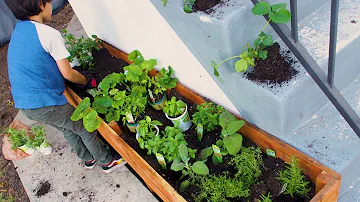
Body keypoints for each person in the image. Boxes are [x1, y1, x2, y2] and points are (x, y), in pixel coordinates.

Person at [3, 0, 125, 173]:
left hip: (26, 104)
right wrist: (86, 81)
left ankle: (87, 158)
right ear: (41, 4)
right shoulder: (48, 34)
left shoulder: (19, 31)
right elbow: (68, 73)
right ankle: (107, 161)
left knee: (67, 127)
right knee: (84, 126)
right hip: (44, 102)